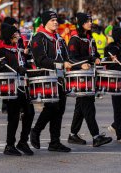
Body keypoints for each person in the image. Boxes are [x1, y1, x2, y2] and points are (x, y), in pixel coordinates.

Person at [67, 12, 112, 147]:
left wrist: (99, 58)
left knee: (81, 106)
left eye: (91, 21)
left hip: (89, 75)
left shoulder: (90, 37)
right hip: (80, 76)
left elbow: (94, 55)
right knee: (88, 106)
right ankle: (96, 136)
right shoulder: (75, 38)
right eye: (87, 21)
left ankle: (73, 135)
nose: (90, 23)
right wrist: (81, 64)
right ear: (81, 23)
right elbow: (71, 57)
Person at [29, 10, 72, 152]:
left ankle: (55, 142)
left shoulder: (59, 38)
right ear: (44, 22)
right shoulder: (39, 38)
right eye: (52, 20)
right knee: (52, 107)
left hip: (60, 78)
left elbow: (67, 57)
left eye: (56, 20)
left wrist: (80, 64)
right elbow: (40, 60)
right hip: (45, 76)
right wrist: (60, 65)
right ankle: (36, 130)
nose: (55, 22)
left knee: (59, 109)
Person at [0, 23, 35, 156]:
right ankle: (9, 145)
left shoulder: (19, 50)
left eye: (18, 33)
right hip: (11, 88)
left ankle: (23, 141)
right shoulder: (2, 51)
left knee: (30, 113)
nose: (18, 36)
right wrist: (16, 68)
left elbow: (24, 63)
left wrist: (30, 68)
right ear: (9, 37)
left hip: (24, 86)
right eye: (15, 34)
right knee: (14, 117)